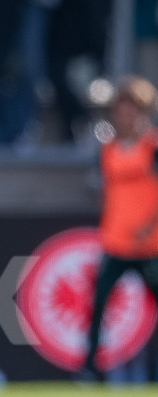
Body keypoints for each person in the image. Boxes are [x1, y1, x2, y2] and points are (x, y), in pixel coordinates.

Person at [81, 75, 158, 380]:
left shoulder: (152, 148)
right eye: (120, 110)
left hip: (149, 246)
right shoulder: (108, 150)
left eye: (131, 110)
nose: (124, 117)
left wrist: (149, 224)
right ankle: (90, 370)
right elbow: (104, 191)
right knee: (98, 306)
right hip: (115, 242)